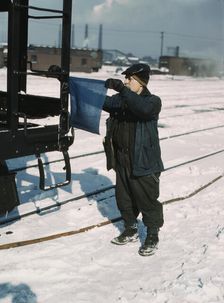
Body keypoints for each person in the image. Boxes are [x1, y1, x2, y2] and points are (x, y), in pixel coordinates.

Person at [103, 63, 164, 256]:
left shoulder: (153, 102)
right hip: (123, 160)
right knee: (124, 199)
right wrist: (67, 82)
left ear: (141, 82)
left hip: (144, 162)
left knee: (147, 201)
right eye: (126, 79)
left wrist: (122, 89)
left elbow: (142, 110)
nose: (126, 81)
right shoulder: (122, 100)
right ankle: (130, 229)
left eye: (130, 79)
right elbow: (102, 101)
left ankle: (152, 235)